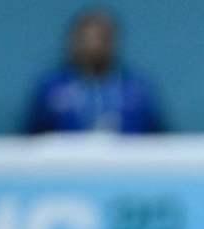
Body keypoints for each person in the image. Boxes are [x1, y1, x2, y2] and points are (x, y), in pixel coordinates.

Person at [24, 8, 165, 135]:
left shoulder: (137, 89)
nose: (94, 46)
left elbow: (160, 140)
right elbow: (31, 140)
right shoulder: (51, 89)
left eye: (101, 38)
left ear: (113, 42)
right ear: (74, 41)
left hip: (127, 162)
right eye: (86, 39)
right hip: (68, 162)